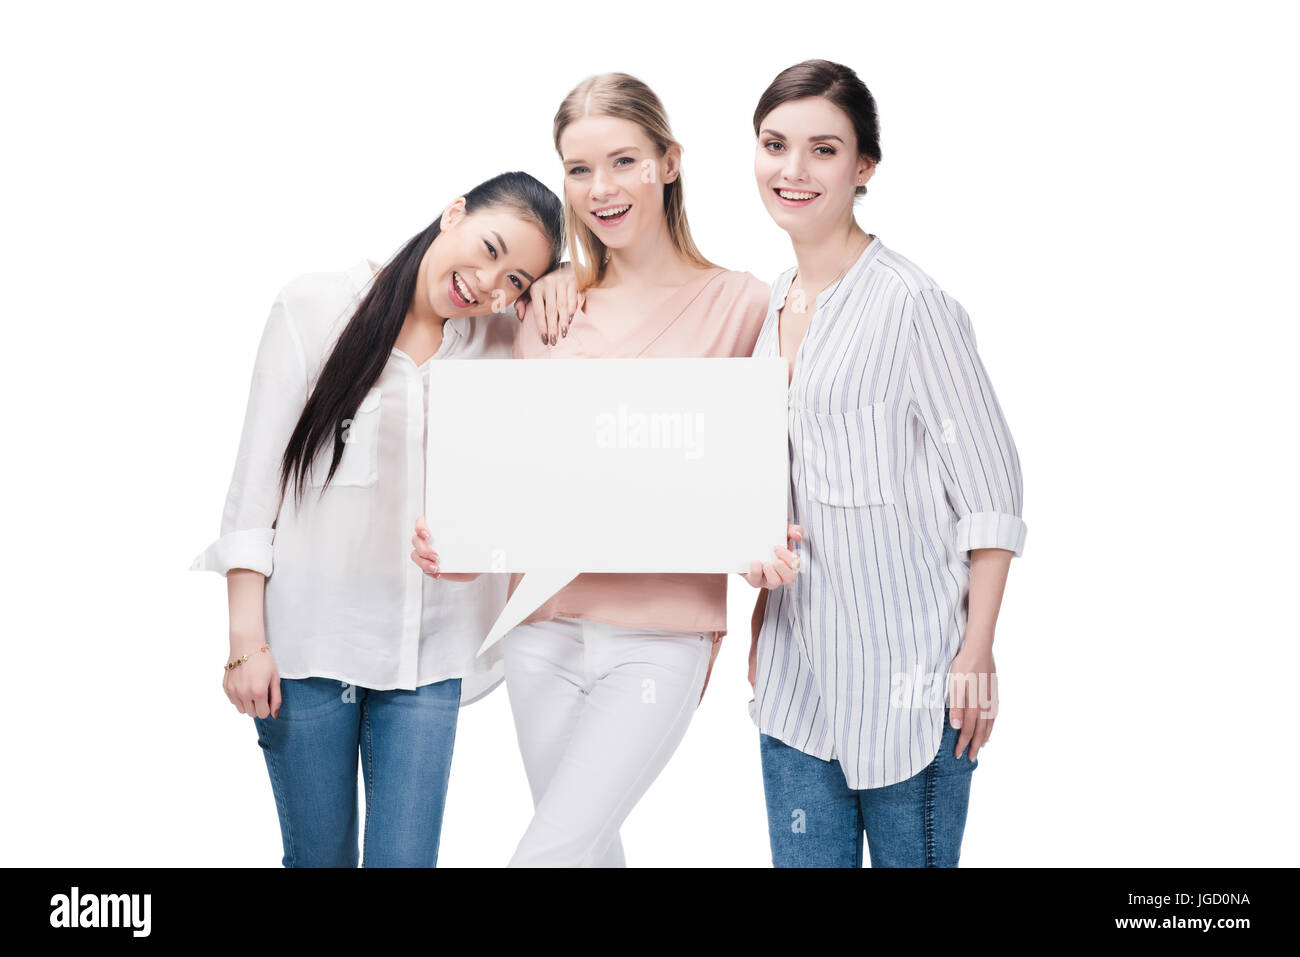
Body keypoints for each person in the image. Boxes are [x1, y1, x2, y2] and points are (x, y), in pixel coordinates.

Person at [412, 73, 792, 867]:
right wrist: (463, 546)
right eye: (579, 169)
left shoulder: (746, 303)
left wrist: (766, 539)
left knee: (546, 854)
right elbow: (518, 478)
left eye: (623, 161)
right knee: (583, 852)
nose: (601, 189)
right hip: (538, 629)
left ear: (669, 161)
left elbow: (762, 467)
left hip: (660, 636)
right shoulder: (545, 309)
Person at [191, 171, 564, 867]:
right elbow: (254, 489)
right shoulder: (314, 306)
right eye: (488, 249)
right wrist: (246, 640)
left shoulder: (497, 344)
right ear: (454, 212)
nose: (487, 284)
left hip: (426, 660)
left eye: (515, 280)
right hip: (307, 651)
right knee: (320, 858)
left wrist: (563, 281)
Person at [745, 60, 1028, 867]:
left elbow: (991, 492)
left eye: (823, 150)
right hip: (796, 689)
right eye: (775, 145)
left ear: (863, 167)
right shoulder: (765, 307)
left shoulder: (913, 306)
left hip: (914, 683)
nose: (793, 171)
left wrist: (977, 653)